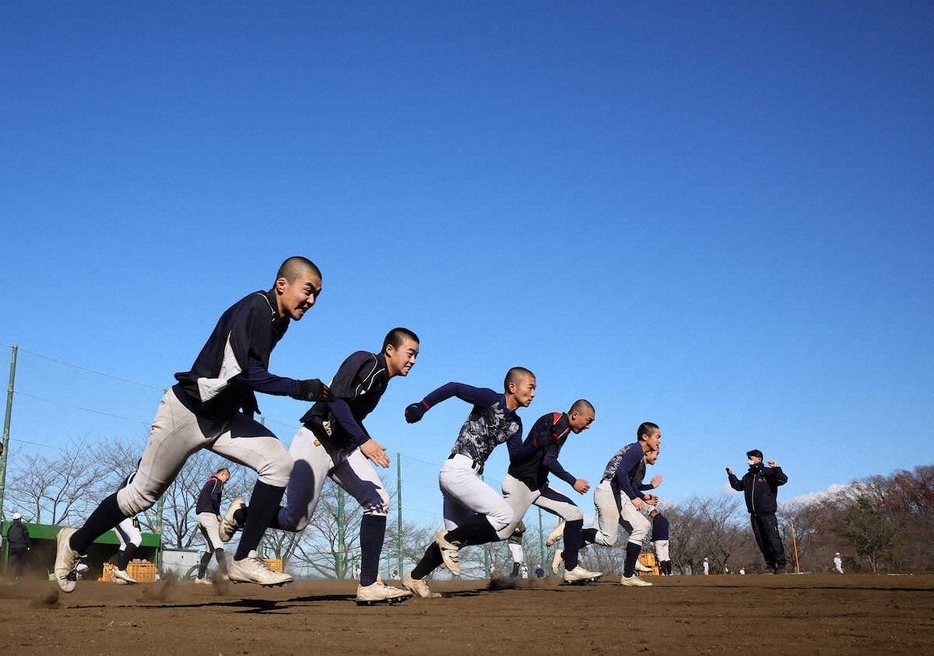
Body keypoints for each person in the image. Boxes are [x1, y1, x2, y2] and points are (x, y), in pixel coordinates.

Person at [54, 257, 332, 593]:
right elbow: (245, 371)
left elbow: (236, 370)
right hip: (186, 414)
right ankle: (74, 543)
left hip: (222, 419)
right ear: (282, 284)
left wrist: (246, 397)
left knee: (278, 461)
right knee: (141, 496)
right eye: (308, 290)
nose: (312, 300)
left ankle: (244, 558)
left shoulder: (278, 319)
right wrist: (299, 388)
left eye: (317, 294)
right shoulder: (256, 308)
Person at [220, 328, 420, 604]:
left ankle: (369, 584)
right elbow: (334, 398)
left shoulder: (382, 380)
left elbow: (350, 413)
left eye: (416, 356)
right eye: (410, 353)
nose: (413, 361)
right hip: (315, 440)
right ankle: (243, 515)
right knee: (295, 520)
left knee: (378, 501)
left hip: (343, 449)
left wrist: (361, 440)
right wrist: (364, 440)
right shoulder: (364, 360)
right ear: (390, 349)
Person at [400, 367, 536, 598]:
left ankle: (414, 578)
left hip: (467, 477)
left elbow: (517, 457)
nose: (533, 394)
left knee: (457, 537)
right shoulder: (490, 399)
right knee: (503, 515)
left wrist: (537, 445)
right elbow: (454, 387)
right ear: (513, 387)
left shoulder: (516, 424)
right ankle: (449, 540)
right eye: (530, 387)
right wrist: (423, 406)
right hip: (458, 470)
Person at [505, 401, 602, 583]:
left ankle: (571, 568)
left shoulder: (559, 423)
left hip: (538, 486)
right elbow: (548, 461)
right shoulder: (559, 424)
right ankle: (452, 540)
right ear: (575, 415)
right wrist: (573, 481)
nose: (588, 427)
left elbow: (544, 458)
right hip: (520, 485)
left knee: (575, 514)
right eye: (588, 421)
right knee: (500, 532)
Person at [574, 423, 662, 587]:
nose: (660, 441)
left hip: (614, 492)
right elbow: (620, 473)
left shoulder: (637, 451)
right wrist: (635, 498)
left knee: (642, 525)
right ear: (645, 437)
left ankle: (628, 576)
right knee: (608, 539)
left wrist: (643, 496)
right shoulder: (636, 450)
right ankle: (570, 533)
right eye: (657, 436)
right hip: (608, 491)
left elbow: (629, 482)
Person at [727, 449, 788, 574]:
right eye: (749, 457)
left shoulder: (767, 473)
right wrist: (731, 475)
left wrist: (776, 467)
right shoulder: (748, 476)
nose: (749, 459)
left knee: (773, 539)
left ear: (759, 459)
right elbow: (738, 486)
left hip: (767, 513)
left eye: (751, 457)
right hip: (754, 514)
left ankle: (781, 565)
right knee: (761, 540)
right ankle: (770, 565)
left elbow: (782, 480)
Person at [193, 468, 231, 584]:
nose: (225, 482)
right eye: (226, 479)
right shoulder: (216, 481)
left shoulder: (208, 482)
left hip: (200, 517)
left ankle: (199, 578)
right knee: (219, 545)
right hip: (209, 516)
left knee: (210, 548)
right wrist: (218, 513)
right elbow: (214, 497)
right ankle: (225, 575)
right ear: (222, 474)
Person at [107, 469, 144, 585]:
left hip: (116, 510)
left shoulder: (135, 476)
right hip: (122, 508)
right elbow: (129, 492)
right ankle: (121, 569)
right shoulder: (137, 476)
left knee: (125, 543)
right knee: (137, 538)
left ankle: (119, 574)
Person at [6, 512, 30, 579]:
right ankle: (26, 577)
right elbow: (26, 537)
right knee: (24, 563)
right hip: (21, 548)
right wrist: (28, 546)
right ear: (20, 519)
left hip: (12, 548)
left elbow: (8, 538)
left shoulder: (10, 528)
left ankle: (11, 577)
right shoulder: (23, 527)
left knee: (12, 563)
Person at [649, 508, 671, 576]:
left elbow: (655, 530)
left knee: (660, 556)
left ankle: (665, 573)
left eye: (650, 515)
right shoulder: (664, 519)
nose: (651, 516)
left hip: (659, 540)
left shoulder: (656, 519)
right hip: (666, 539)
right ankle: (670, 572)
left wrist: (652, 540)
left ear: (653, 512)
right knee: (666, 556)